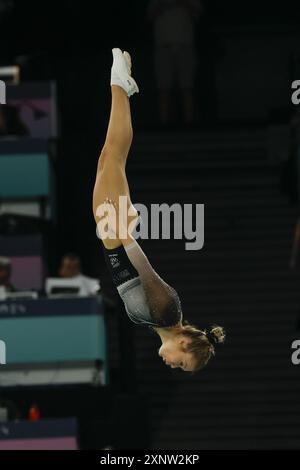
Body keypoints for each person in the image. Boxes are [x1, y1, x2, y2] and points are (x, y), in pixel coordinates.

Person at [92, 48, 225, 373]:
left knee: (110, 158)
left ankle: (122, 86)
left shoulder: (159, 321)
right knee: (113, 156)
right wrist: (124, 235)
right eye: (181, 364)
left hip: (116, 237)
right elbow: (147, 272)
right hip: (116, 234)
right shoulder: (167, 313)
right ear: (183, 344)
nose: (172, 366)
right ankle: (119, 83)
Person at [147, 0, 203, 126]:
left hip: (185, 45)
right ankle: (163, 124)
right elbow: (150, 16)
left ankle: (190, 124)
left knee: (187, 87)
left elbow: (198, 14)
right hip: (163, 46)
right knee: (163, 88)